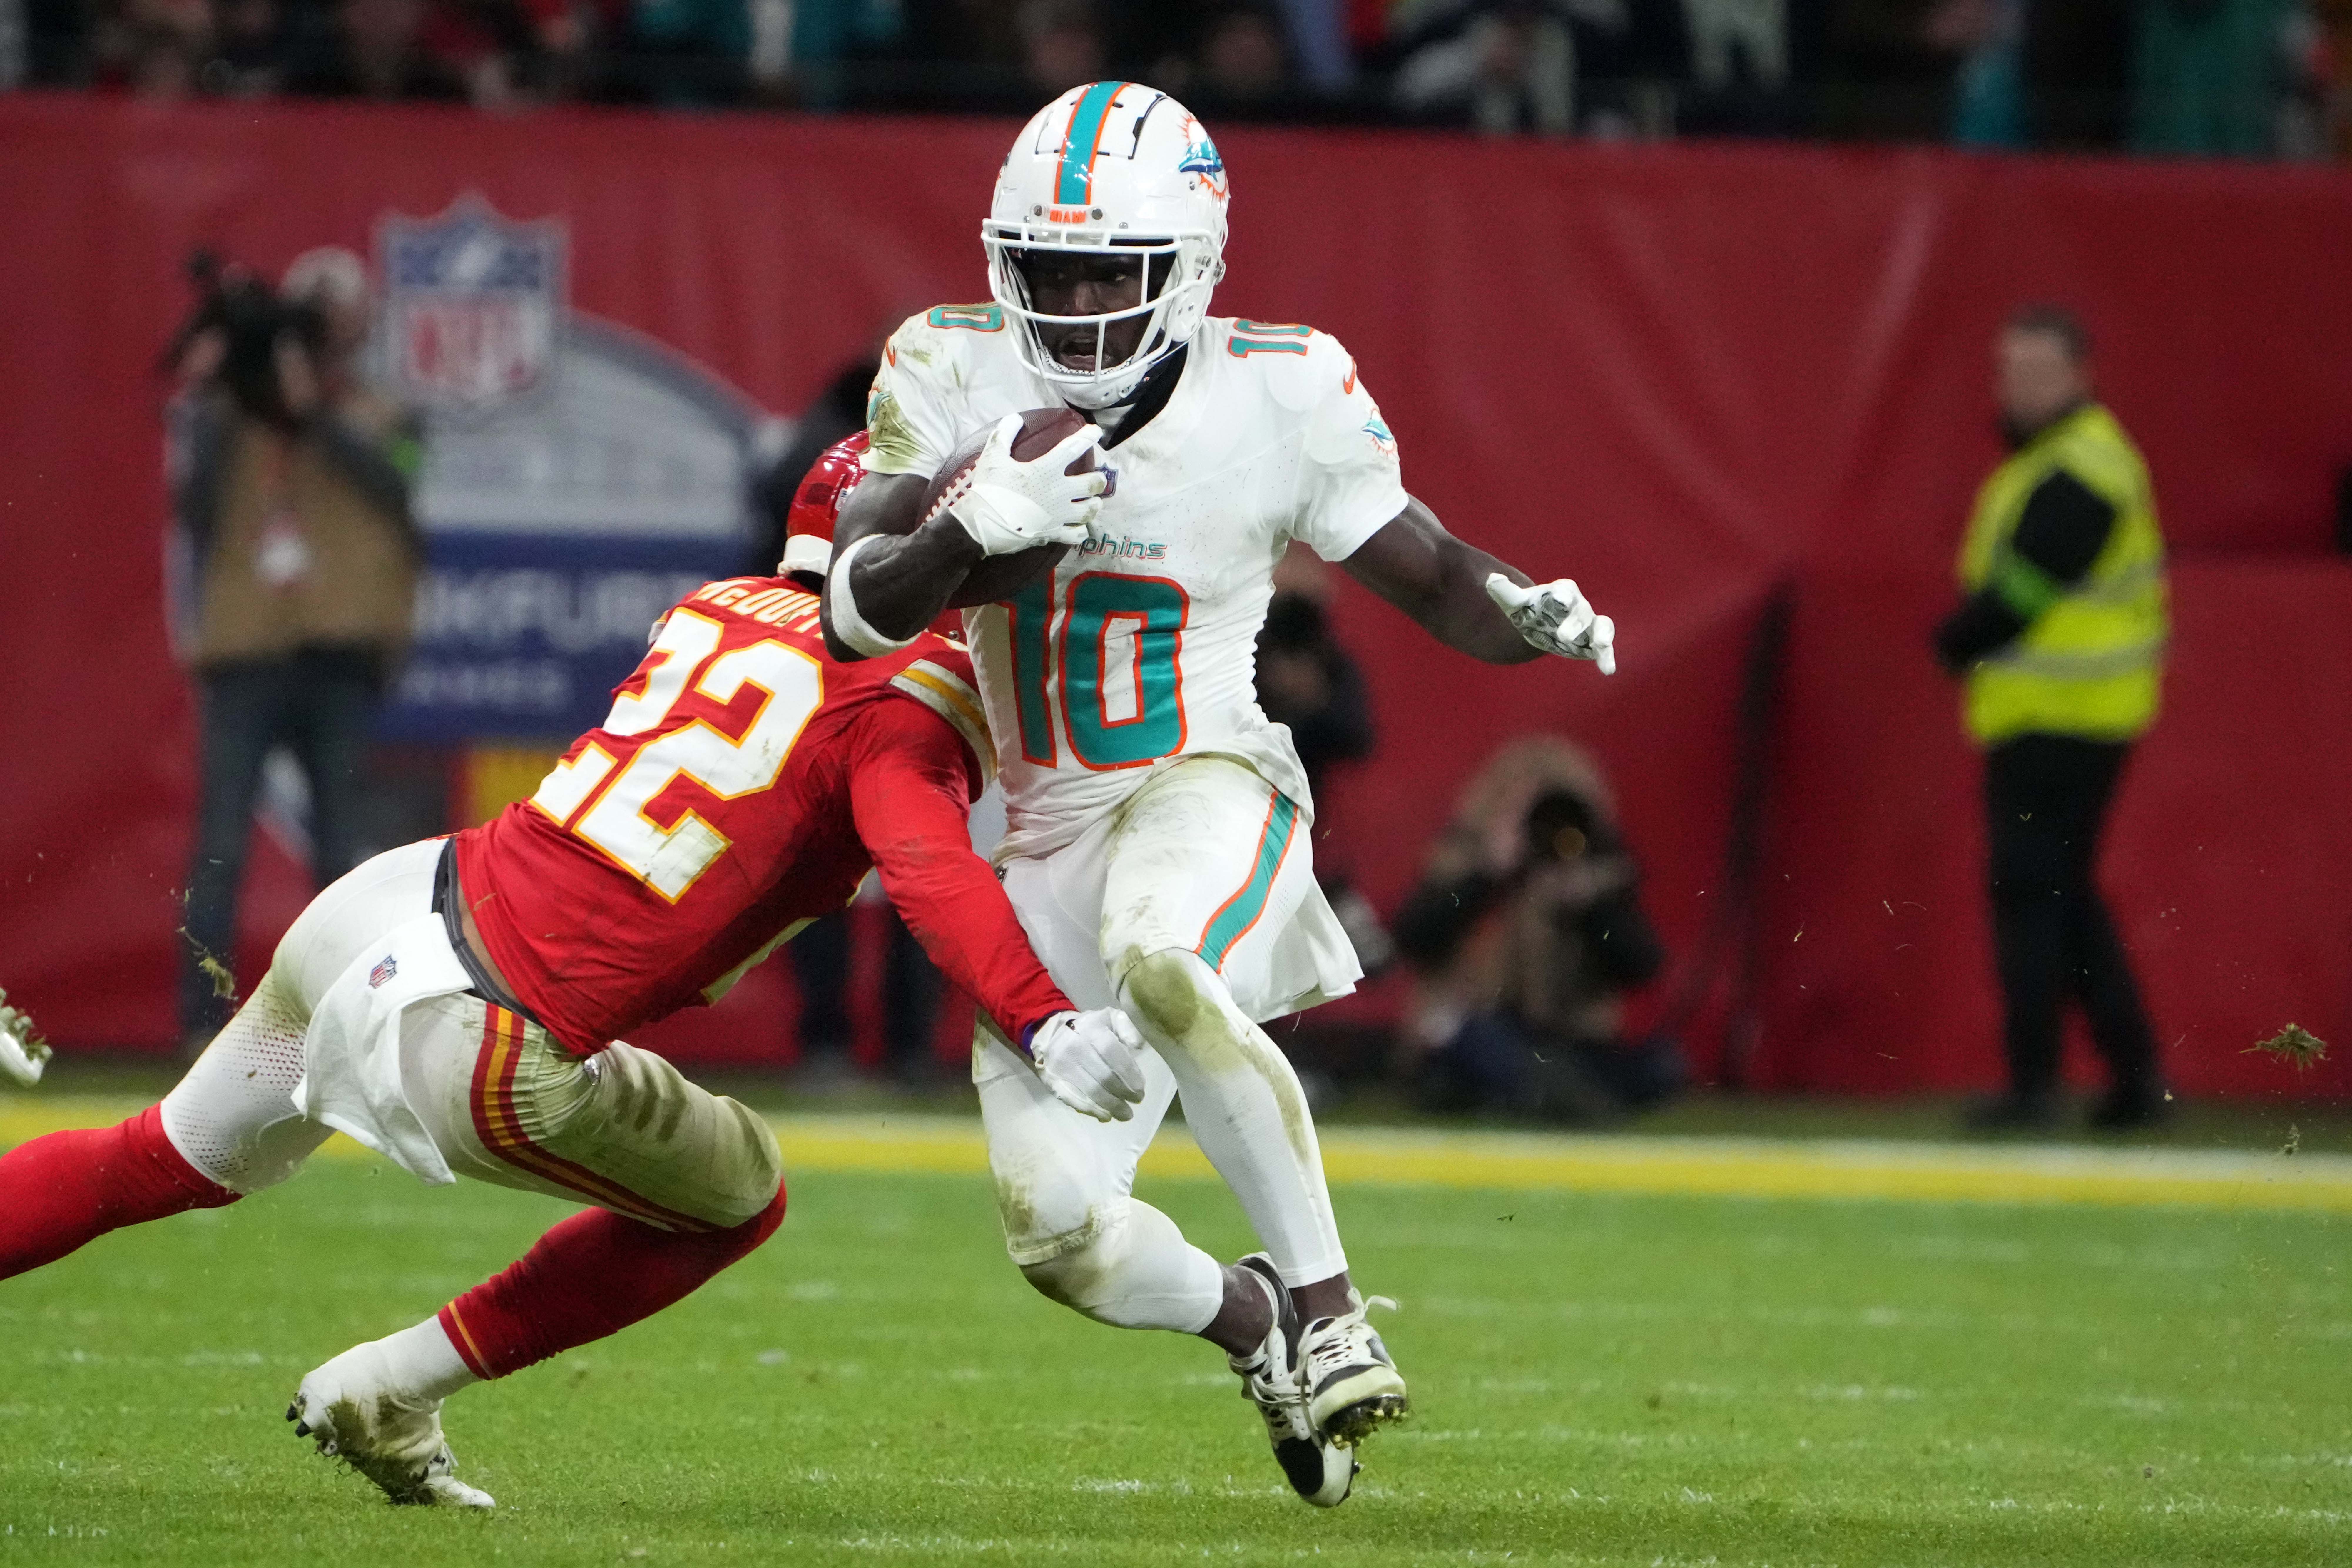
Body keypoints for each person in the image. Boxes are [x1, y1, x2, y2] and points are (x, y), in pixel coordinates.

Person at [0, 491, 1147, 1510]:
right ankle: (391, 1388)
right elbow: (929, 871)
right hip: (484, 1023)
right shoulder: (907, 700)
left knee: (153, 1155)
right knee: (737, 1196)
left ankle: (388, 1395)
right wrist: (1041, 1013)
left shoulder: (723, 602)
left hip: (392, 902)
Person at [825, 80, 1618, 1508]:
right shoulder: (947, 364)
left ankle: (1327, 1311)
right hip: (1042, 835)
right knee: (1058, 1233)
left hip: (1207, 779)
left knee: (1166, 959)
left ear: (1188, 268)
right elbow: (854, 607)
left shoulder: (1281, 384)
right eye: (1045, 269)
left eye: (1104, 274)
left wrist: (1528, 610)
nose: (1067, 304)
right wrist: (959, 528)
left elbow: (1432, 571)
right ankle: (1251, 1321)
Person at [168, 248, 424, 1053]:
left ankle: (339, 1024)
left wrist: (313, 414)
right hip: (248, 649)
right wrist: (217, 395)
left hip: (340, 652)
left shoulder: (392, 412)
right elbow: (193, 506)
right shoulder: (231, 414)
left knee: (342, 849)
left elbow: (405, 486)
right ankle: (200, 1024)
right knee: (219, 843)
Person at [1934, 305, 2168, 1131]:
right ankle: (2133, 1074)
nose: (2017, 390)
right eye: (2009, 372)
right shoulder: (2057, 461)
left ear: (2080, 376)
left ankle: (2035, 1082)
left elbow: (2029, 584)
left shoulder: (2083, 468)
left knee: (2030, 894)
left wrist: (1956, 639)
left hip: (2061, 716)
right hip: (2063, 712)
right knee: (2062, 896)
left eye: (2035, 373)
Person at [1391, 736, 1673, 1121]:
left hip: (1570, 1041)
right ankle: (1557, 1096)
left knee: (1663, 1065)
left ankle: (1547, 1093)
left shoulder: (1601, 874)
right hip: (1485, 1028)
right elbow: (1415, 938)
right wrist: (1485, 878)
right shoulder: (1461, 862)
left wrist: (1592, 910)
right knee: (1471, 1043)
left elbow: (1641, 966)